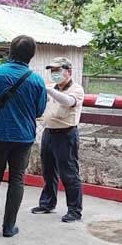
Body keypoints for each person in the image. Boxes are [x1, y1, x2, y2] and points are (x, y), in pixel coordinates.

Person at [0, 35, 47, 238]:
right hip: (23, 137)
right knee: (17, 180)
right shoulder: (37, 80)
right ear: (31, 56)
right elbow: (39, 111)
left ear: (10, 51)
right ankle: (9, 227)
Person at [31, 57, 85, 222]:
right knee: (48, 171)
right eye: (52, 71)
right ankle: (47, 203)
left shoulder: (76, 89)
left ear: (68, 71)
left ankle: (74, 211)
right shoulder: (51, 88)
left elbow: (69, 101)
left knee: (69, 174)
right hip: (49, 132)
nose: (54, 74)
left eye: (58, 70)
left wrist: (50, 91)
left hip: (66, 133)